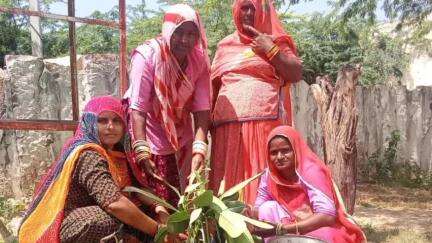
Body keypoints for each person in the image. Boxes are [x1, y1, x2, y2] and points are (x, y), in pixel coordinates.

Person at [18, 96, 171, 243]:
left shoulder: (120, 154)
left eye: (117, 120)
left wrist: (160, 209)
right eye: (102, 121)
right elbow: (114, 203)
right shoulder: (88, 154)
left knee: (139, 211)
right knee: (104, 220)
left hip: (100, 212)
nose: (110, 126)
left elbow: (137, 189)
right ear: (90, 122)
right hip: (66, 222)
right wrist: (158, 230)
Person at [209, 0, 302, 205]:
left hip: (264, 130)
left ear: (263, 11)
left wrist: (270, 49)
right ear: (236, 11)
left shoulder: (276, 41)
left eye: (253, 8)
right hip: (227, 133)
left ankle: (264, 231)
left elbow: (295, 73)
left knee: (261, 184)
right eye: (244, 8)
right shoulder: (225, 46)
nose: (248, 13)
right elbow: (212, 90)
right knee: (227, 192)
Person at [123, 4, 211, 205]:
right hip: (146, 131)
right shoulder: (147, 56)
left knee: (188, 196)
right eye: (179, 32)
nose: (185, 40)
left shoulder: (199, 61)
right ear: (168, 30)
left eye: (191, 34)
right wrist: (142, 150)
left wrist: (199, 149)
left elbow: (202, 110)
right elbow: (138, 108)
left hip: (181, 132)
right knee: (155, 198)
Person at [252, 125, 366, 243]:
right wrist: (245, 214)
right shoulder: (269, 175)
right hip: (286, 225)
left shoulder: (311, 171)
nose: (279, 157)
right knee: (266, 208)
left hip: (317, 226)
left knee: (325, 236)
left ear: (295, 149)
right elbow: (259, 206)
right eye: (274, 153)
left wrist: (284, 229)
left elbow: (327, 216)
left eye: (285, 150)